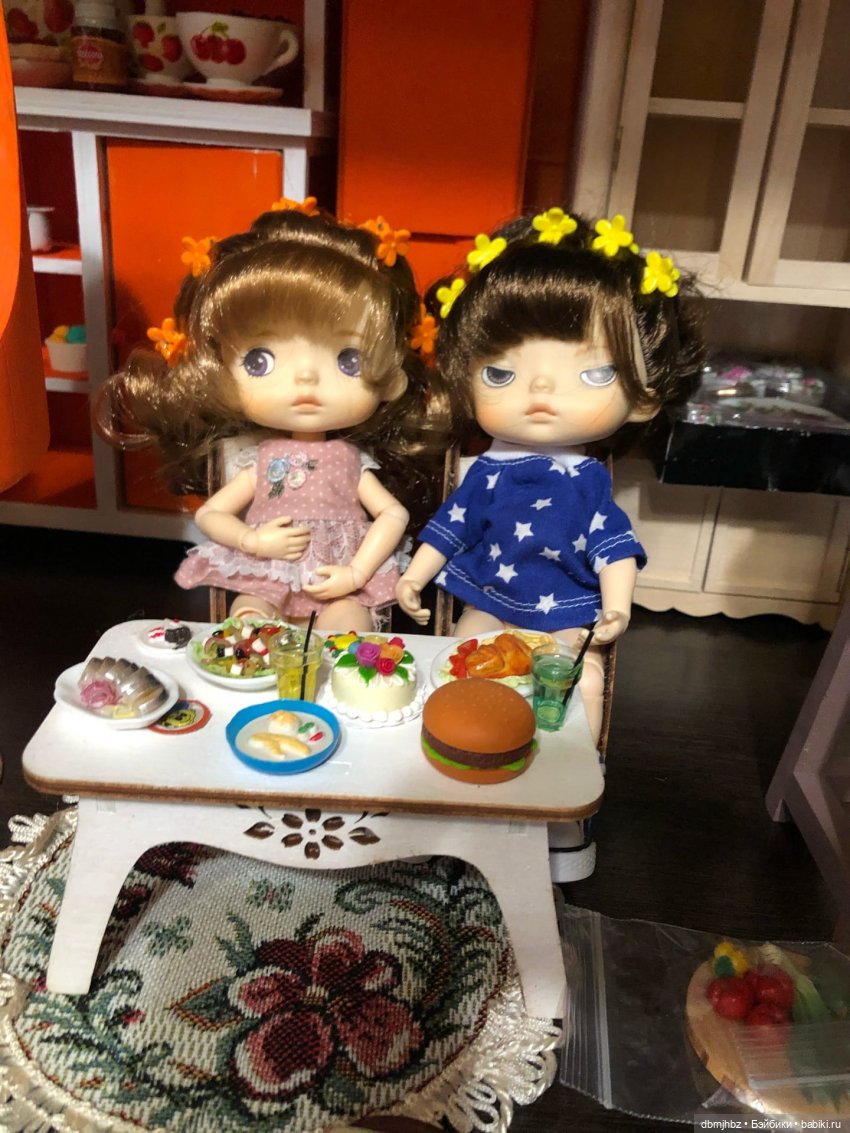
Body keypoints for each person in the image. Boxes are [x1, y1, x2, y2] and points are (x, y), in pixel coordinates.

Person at [396, 208, 704, 745]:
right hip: (489, 601)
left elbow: (614, 547)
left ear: (644, 396)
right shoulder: (486, 472)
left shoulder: (587, 481)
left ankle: (572, 772)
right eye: (501, 373)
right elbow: (451, 527)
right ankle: (469, 750)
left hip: (565, 611)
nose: (539, 390)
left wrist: (617, 607)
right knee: (461, 659)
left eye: (593, 373)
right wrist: (413, 578)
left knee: (583, 676)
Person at [98, 205, 441, 632]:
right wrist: (253, 540)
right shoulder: (261, 460)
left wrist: (356, 573)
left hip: (337, 579)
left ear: (390, 375)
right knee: (248, 618)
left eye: (348, 359)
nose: (306, 378)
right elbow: (210, 515)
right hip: (268, 575)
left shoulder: (350, 461)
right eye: (260, 360)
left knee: (350, 627)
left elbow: (393, 515)